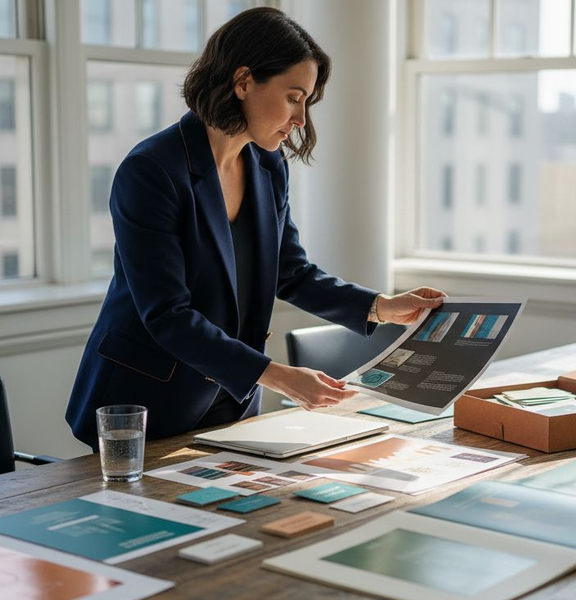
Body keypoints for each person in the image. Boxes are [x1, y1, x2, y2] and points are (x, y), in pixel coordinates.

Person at [65, 8, 445, 447]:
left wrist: (382, 306)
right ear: (243, 81)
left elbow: (292, 273)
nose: (301, 119)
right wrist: (279, 377)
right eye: (293, 96)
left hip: (231, 399)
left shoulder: (268, 166)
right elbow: (166, 314)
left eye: (306, 102)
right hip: (142, 404)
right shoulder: (151, 170)